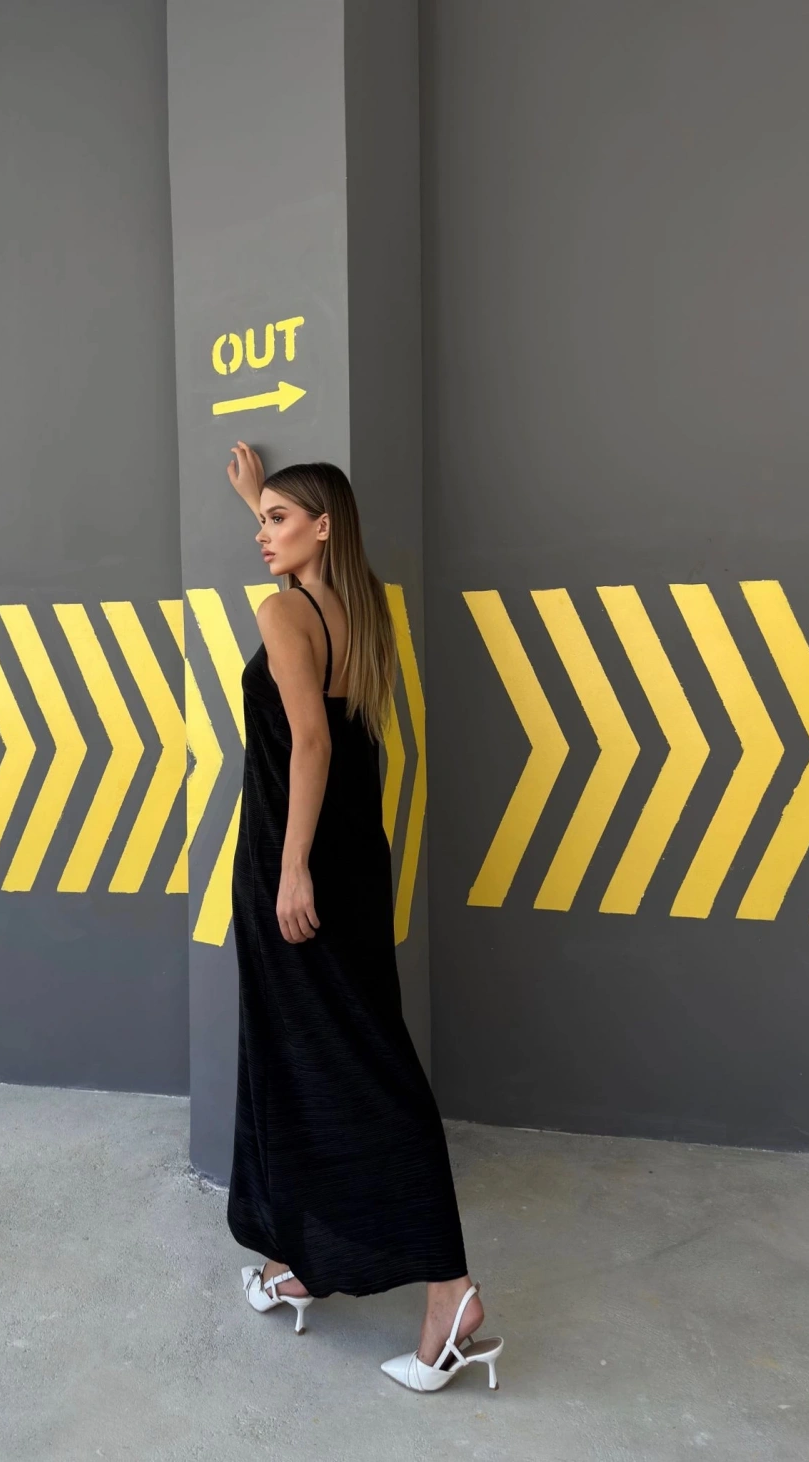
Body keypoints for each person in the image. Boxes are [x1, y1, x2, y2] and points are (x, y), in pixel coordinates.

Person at [223, 442, 503, 1393]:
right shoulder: (362, 607)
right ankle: (306, 1261)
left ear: (322, 526)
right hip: (355, 860)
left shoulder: (281, 612)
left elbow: (308, 742)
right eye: (262, 520)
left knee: (346, 1062)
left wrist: (290, 868)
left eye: (277, 521)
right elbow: (313, 565)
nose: (262, 535)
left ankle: (451, 1293)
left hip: (297, 860)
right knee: (328, 1050)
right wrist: (261, 499)